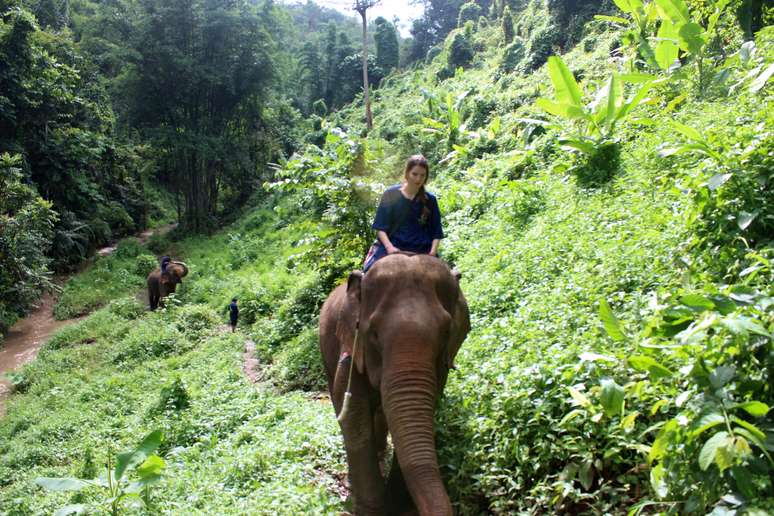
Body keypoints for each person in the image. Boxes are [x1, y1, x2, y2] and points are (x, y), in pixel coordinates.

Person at [363, 154, 444, 272]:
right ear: (407, 173)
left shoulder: (430, 199)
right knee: (368, 274)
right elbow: (380, 228)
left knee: (449, 281)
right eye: (415, 174)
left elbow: (436, 232)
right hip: (392, 246)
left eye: (422, 175)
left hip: (423, 249)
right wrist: (389, 248)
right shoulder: (390, 194)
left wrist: (432, 253)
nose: (418, 179)